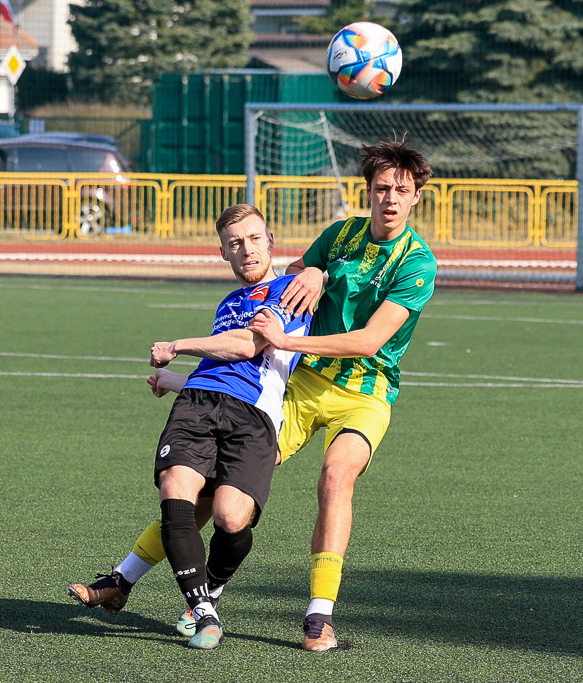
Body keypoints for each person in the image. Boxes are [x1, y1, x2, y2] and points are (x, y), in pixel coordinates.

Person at [68, 140, 437, 652]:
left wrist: (287, 340)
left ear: (416, 196)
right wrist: (312, 269)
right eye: (381, 188)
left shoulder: (418, 262)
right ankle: (123, 580)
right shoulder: (341, 234)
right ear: (368, 192)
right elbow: (287, 281)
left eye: (401, 190)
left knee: (336, 477)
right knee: (209, 494)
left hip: (366, 391)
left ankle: (317, 617)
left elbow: (369, 341)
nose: (390, 199)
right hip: (301, 386)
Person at [72, 203, 311, 650]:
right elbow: (218, 368)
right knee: (177, 497)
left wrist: (175, 346)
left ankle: (192, 590)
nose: (246, 250)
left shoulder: (291, 291)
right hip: (197, 406)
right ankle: (203, 613)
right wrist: (177, 381)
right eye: (235, 244)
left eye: (254, 239)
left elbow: (247, 347)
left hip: (253, 417)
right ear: (223, 254)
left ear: (271, 242)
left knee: (229, 517)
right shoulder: (229, 301)